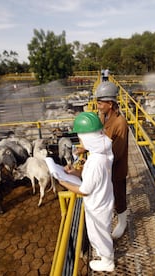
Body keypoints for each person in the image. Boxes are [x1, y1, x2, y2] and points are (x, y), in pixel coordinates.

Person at [58, 112, 115, 272]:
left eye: (81, 137)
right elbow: (92, 176)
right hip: (103, 200)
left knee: (99, 233)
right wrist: (75, 173)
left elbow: (84, 190)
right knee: (99, 231)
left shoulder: (96, 161)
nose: (80, 142)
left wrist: (63, 181)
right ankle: (103, 252)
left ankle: (107, 261)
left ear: (88, 138)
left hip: (97, 205)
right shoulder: (101, 153)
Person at [95, 81, 129, 239]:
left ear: (110, 103)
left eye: (100, 103)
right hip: (105, 164)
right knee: (110, 194)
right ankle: (115, 213)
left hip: (115, 167)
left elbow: (118, 151)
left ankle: (123, 223)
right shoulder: (104, 116)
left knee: (119, 194)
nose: (98, 106)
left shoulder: (120, 122)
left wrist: (99, 159)